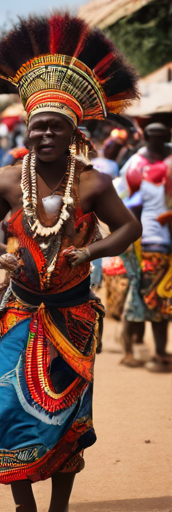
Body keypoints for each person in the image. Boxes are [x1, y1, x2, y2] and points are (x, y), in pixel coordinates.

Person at [0, 13, 141, 512]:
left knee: (67, 419)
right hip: (20, 314)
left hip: (73, 316)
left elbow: (130, 228)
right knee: (5, 412)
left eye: (55, 128)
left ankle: (59, 507)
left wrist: (92, 251)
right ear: (26, 131)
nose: (44, 135)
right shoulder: (4, 181)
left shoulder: (93, 185)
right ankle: (24, 506)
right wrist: (1, 253)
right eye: (37, 126)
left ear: (73, 133)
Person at [119, 123, 172, 371]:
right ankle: (153, 352)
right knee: (153, 298)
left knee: (149, 297)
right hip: (152, 244)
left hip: (156, 243)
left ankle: (145, 350)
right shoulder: (137, 168)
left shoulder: (157, 166)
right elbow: (133, 210)